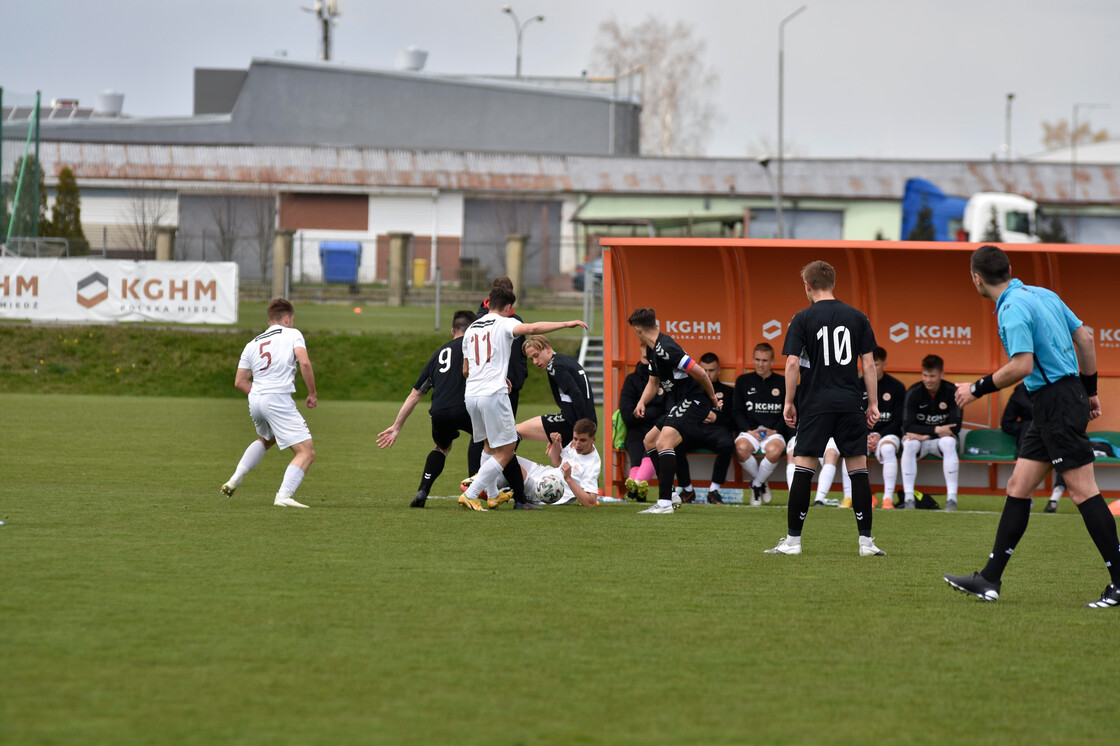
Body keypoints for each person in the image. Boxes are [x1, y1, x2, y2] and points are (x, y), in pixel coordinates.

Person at [945, 244, 1120, 608]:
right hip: (1057, 400)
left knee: (1083, 491)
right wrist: (1089, 391)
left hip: (1055, 402)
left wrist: (976, 388)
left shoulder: (1010, 308)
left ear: (976, 279)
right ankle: (990, 579)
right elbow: (1085, 338)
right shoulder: (1043, 293)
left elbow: (1023, 365)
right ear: (1009, 267)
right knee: (1018, 486)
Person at [767, 260, 883, 556]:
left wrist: (789, 402)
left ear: (807, 285)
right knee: (858, 469)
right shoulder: (858, 317)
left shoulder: (802, 318)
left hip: (816, 404)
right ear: (833, 282)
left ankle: (793, 542)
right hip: (849, 403)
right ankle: (866, 543)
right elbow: (868, 364)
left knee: (804, 467)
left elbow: (792, 363)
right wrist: (872, 403)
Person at [458, 279, 588, 511]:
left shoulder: (471, 329)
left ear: (489, 304)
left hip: (471, 396)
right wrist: (567, 323)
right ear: (508, 308)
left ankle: (493, 495)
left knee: (489, 445)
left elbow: (466, 370)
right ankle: (472, 492)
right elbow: (533, 329)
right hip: (492, 395)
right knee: (507, 449)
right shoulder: (504, 323)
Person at [221, 298, 317, 509]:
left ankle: (235, 477)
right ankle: (284, 495)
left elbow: (240, 381)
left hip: (255, 399)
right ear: (286, 318)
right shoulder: (293, 334)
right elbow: (305, 361)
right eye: (291, 319)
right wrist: (312, 393)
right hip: (277, 398)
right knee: (306, 452)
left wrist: (260, 394)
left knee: (266, 439)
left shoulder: (252, 343)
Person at [377, 309, 478, 508]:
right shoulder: (473, 348)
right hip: (465, 407)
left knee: (441, 448)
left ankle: (423, 489)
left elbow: (415, 394)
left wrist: (396, 427)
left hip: (439, 411)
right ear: (473, 330)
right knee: (487, 439)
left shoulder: (438, 354)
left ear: (452, 331)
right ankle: (476, 490)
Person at [626, 307, 720, 515]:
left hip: (695, 401)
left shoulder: (667, 347)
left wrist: (712, 398)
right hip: (683, 402)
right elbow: (653, 383)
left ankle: (665, 503)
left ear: (637, 329)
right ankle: (670, 493)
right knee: (650, 441)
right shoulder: (653, 350)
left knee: (664, 442)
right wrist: (641, 402)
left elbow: (700, 373)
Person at [485, 419, 602, 508]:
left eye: (582, 440)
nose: (577, 444)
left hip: (546, 490)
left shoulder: (592, 464)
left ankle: (483, 489)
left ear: (593, 440)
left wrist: (569, 479)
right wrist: (556, 444)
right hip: (545, 472)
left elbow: (590, 502)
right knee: (501, 452)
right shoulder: (575, 445)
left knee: (508, 459)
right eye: (575, 439)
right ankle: (485, 488)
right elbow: (556, 461)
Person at [901, 354, 962, 510]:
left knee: (949, 442)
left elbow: (956, 427)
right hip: (917, 441)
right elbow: (907, 426)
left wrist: (928, 434)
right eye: (925, 375)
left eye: (932, 376)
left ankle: (951, 500)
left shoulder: (953, 391)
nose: (928, 380)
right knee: (908, 444)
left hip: (938, 441)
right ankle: (909, 499)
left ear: (942, 374)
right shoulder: (914, 392)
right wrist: (936, 429)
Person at [674, 352, 736, 505]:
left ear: (719, 371)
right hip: (693, 429)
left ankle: (714, 491)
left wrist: (716, 417)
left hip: (716, 431)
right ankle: (687, 490)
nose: (707, 374)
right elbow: (681, 413)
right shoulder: (690, 389)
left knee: (728, 444)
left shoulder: (728, 392)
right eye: (704, 370)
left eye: (711, 370)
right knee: (674, 443)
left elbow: (734, 420)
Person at [733, 343, 788, 507]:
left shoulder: (783, 382)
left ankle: (756, 484)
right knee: (740, 449)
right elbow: (737, 412)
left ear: (772, 361)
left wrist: (775, 430)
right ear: (753, 359)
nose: (760, 364)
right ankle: (762, 482)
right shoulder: (743, 381)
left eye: (764, 360)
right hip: (750, 431)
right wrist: (749, 430)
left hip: (773, 432)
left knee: (774, 450)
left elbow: (789, 411)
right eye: (757, 359)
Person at [516, 334, 597, 446]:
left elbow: (576, 394)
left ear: (547, 348)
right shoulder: (566, 359)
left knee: (516, 430)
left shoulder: (554, 366)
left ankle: (505, 462)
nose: (535, 362)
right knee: (558, 457)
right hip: (588, 420)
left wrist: (581, 428)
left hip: (572, 422)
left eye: (536, 355)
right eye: (531, 359)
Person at [1002, 382, 1067, 513]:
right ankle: (1025, 499)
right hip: (1032, 443)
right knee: (1022, 478)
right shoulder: (1019, 393)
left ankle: (1054, 499)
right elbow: (1007, 423)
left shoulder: (1061, 387)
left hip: (1058, 437)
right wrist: (1029, 429)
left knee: (1078, 484)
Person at [618, 351, 667, 500]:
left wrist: (643, 413)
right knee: (636, 459)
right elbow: (627, 415)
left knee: (652, 448)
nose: (649, 362)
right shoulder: (631, 380)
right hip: (636, 430)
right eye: (646, 358)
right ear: (640, 356)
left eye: (652, 359)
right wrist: (655, 411)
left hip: (659, 430)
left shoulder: (666, 380)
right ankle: (638, 488)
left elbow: (668, 413)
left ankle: (635, 487)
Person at [865, 346, 907, 509]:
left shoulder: (896, 387)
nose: (872, 368)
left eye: (876, 364)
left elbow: (898, 420)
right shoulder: (857, 384)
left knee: (888, 449)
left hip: (889, 434)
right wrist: (868, 434)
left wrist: (879, 434)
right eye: (868, 364)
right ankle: (856, 497)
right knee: (853, 449)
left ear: (884, 364)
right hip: (865, 434)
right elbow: (853, 417)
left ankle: (887, 499)